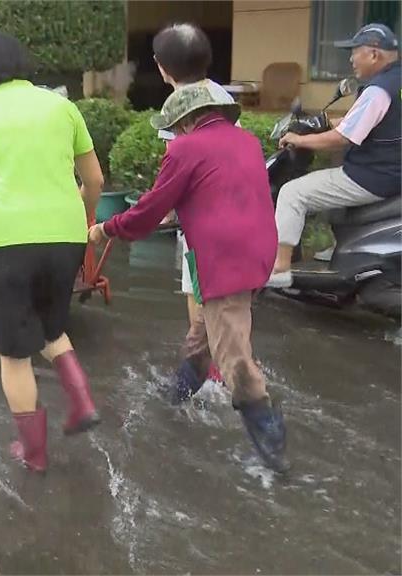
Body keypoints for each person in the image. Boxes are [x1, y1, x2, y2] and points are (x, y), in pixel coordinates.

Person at [89, 83, 289, 473]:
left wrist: (105, 229)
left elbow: (148, 210)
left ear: (187, 121)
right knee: (202, 337)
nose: (175, 135)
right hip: (258, 253)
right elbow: (222, 194)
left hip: (224, 260)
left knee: (235, 360)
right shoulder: (246, 142)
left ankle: (273, 454)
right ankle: (173, 400)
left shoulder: (186, 147)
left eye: (176, 127)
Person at [0, 31, 104, 472]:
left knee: (15, 353)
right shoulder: (62, 106)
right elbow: (94, 181)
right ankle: (82, 400)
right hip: (65, 235)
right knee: (52, 326)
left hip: (6, 239)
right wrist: (85, 220)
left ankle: (33, 453)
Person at [268, 23, 400, 287]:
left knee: (293, 193)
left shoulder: (377, 90)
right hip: (393, 171)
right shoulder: (395, 83)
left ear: (374, 55)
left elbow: (343, 139)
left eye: (355, 52)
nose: (351, 59)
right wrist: (333, 120)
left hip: (371, 176)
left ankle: (279, 267)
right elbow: (377, 121)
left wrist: (299, 139)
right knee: (325, 184)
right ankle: (336, 247)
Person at [152, 23, 236, 394]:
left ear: (161, 67)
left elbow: (176, 163)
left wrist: (163, 207)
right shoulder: (221, 94)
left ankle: (208, 371)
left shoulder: (177, 105)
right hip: (234, 208)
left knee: (197, 291)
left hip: (203, 220)